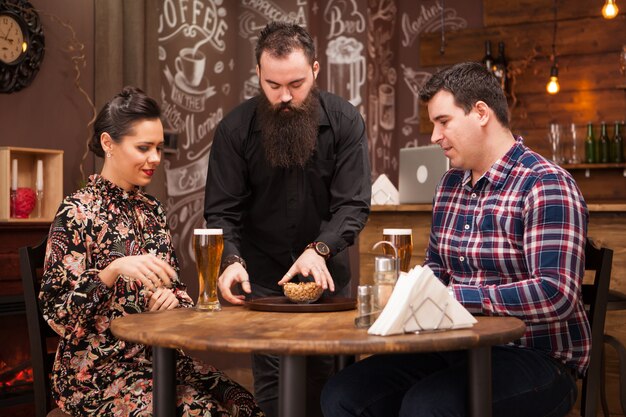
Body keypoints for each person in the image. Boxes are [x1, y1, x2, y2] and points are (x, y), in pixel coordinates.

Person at [321, 62, 590, 417]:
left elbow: (556, 294)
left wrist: (458, 297)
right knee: (342, 393)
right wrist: (410, 296)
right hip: (454, 347)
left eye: (443, 121)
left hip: (535, 357)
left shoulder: (545, 184)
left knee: (427, 406)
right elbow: (438, 269)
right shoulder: (449, 185)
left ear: (480, 112)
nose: (434, 136)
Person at [40, 86, 264, 417]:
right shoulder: (77, 211)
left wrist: (173, 300)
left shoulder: (152, 209)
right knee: (203, 412)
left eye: (158, 148)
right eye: (143, 148)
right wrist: (111, 271)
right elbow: (56, 311)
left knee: (247, 405)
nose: (155, 159)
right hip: (98, 373)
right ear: (108, 144)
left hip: (161, 360)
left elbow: (176, 289)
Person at [203, 22, 371, 417]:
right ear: (258, 75)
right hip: (262, 284)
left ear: (315, 70)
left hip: (327, 281)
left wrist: (320, 249)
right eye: (272, 85)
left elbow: (353, 204)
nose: (284, 97)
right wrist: (230, 260)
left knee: (329, 391)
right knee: (275, 396)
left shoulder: (345, 121)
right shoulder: (235, 129)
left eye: (295, 84)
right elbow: (222, 212)